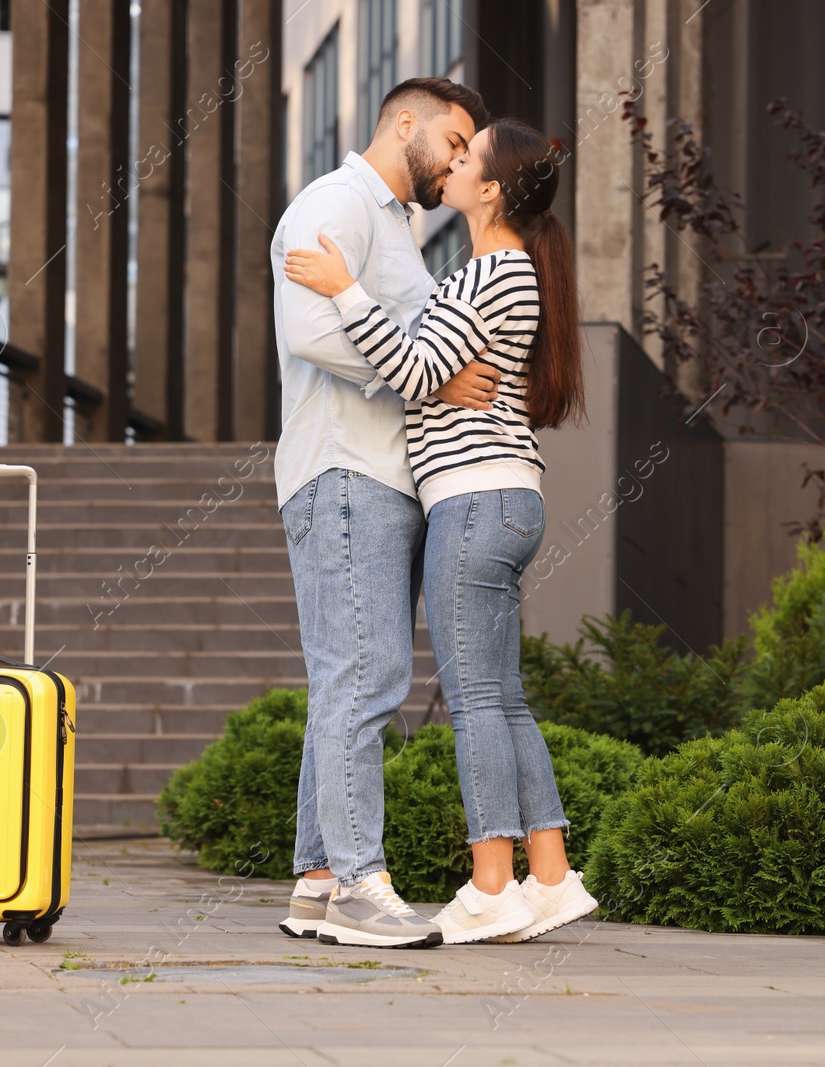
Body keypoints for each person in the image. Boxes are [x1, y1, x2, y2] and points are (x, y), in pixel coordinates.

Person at [284, 117, 600, 944]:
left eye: (470, 155)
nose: (455, 163)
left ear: (491, 189)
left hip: (472, 499)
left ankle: (491, 888)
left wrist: (344, 286)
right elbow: (435, 369)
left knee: (478, 702)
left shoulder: (494, 272)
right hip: (499, 498)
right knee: (505, 697)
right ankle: (553, 876)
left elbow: (420, 372)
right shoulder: (500, 269)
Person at [271, 77, 499, 949]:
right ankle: (364, 885)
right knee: (363, 678)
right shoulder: (335, 202)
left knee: (348, 675)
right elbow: (313, 334)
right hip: (345, 471)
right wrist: (428, 372)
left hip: (378, 477)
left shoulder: (399, 226)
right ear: (405, 122)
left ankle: (321, 876)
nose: (456, 159)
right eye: (452, 139)